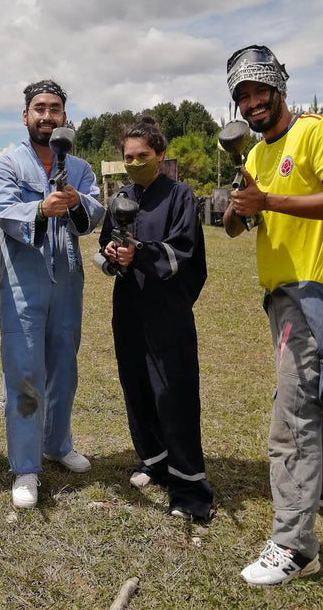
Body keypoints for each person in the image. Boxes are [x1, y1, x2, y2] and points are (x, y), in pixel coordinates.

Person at [222, 45, 323, 586]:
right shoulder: (255, 156)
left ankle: (294, 547)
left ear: (280, 85)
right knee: (322, 396)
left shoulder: (319, 132)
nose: (253, 102)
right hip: (286, 294)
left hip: (313, 292)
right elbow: (237, 227)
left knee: (293, 419)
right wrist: (240, 205)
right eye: (243, 96)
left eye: (260, 90)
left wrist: (271, 202)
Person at [0, 79, 105, 509]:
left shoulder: (80, 167)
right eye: (39, 108)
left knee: (63, 367)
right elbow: (2, 211)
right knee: (23, 372)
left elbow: (94, 212)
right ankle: (25, 468)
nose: (47, 116)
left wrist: (75, 204)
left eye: (55, 109)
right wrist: (39, 208)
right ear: (25, 116)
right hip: (25, 282)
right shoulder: (8, 164)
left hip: (68, 282)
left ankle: (58, 443)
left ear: (64, 118)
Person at [97, 116, 213, 522]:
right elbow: (106, 243)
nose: (133, 163)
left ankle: (189, 487)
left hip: (166, 311)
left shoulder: (181, 196)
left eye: (142, 156)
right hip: (128, 307)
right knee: (137, 385)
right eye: (128, 157)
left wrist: (140, 253)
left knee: (173, 393)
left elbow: (183, 251)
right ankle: (155, 459)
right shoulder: (121, 197)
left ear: (160, 155)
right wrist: (113, 255)